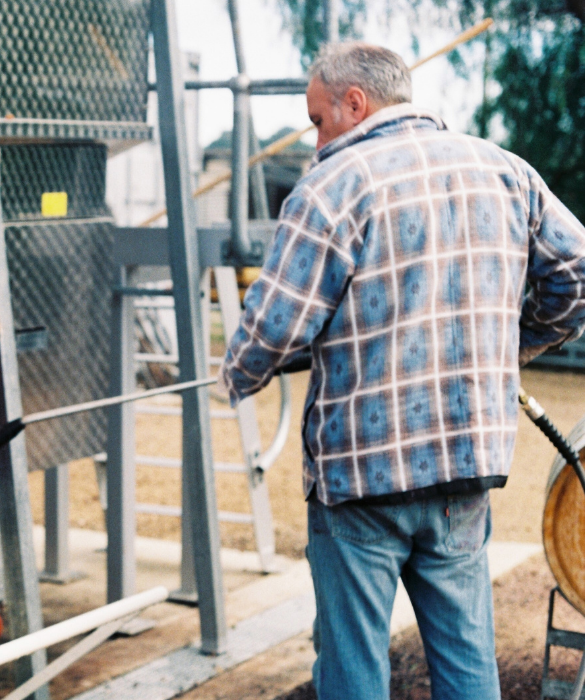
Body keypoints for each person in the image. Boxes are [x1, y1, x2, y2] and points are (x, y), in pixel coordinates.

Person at [219, 42, 585, 700]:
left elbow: (271, 329)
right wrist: (518, 344)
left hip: (361, 478)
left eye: (317, 119)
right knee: (468, 664)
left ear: (354, 103)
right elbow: (578, 275)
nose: (315, 137)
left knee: (353, 669)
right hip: (465, 474)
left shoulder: (332, 187)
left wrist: (236, 377)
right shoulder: (505, 171)